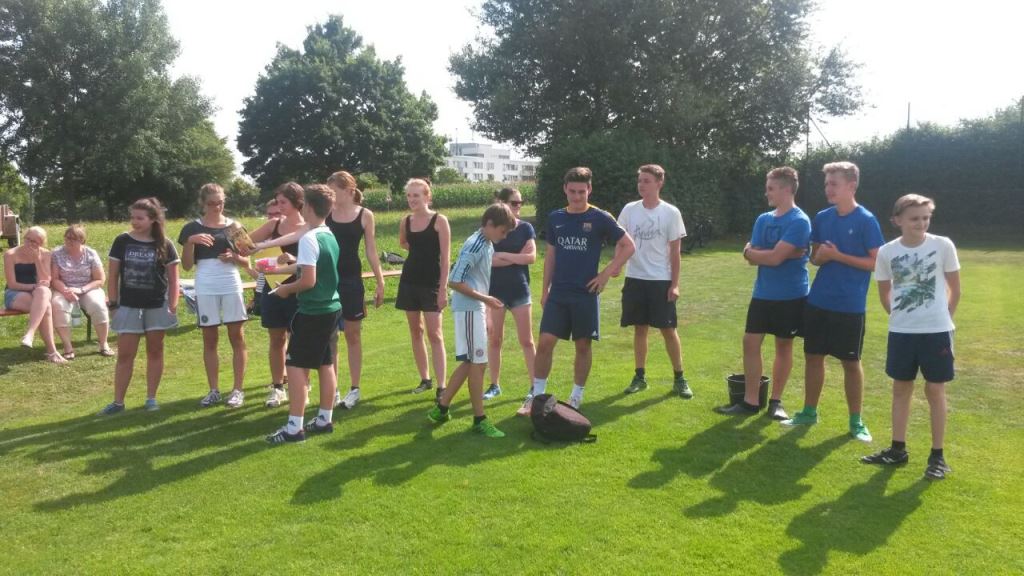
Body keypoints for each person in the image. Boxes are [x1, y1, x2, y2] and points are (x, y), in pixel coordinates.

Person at [781, 162, 884, 442]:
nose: (828, 189)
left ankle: (856, 421)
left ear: (852, 185)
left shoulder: (866, 220)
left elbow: (876, 263)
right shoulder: (822, 218)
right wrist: (821, 257)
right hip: (818, 301)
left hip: (850, 305)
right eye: (826, 184)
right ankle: (809, 412)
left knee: (850, 362)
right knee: (813, 357)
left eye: (834, 184)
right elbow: (815, 258)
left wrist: (838, 256)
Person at [861, 194, 960, 480]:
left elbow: (955, 289)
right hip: (902, 333)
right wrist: (900, 318)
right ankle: (897, 450)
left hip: (936, 332)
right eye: (915, 218)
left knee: (935, 390)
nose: (921, 223)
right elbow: (884, 292)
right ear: (898, 220)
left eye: (926, 218)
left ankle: (937, 456)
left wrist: (942, 319)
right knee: (901, 389)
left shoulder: (943, 245)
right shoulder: (887, 252)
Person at [529, 167, 635, 411]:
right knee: (545, 343)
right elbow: (551, 256)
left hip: (585, 293)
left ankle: (576, 396)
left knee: (583, 345)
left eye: (581, 191)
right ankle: (537, 395)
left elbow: (629, 245)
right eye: (572, 191)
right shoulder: (556, 218)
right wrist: (545, 291)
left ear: (589, 190)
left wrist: (605, 274)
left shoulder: (600, 217)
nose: (577, 196)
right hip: (558, 293)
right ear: (565, 190)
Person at [715, 167, 810, 419]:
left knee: (783, 345)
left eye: (770, 188)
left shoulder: (800, 221)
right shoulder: (763, 219)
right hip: (763, 293)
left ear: (786, 189)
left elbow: (774, 258)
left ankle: (776, 402)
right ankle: (750, 402)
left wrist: (761, 253)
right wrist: (756, 253)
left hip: (791, 295)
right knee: (750, 342)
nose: (766, 193)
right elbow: (754, 257)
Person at [428, 203, 516, 437]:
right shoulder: (475, 244)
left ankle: (441, 408)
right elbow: (455, 281)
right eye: (503, 231)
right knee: (478, 363)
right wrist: (486, 300)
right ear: (490, 224)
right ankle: (479, 419)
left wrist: (484, 308)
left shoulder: (486, 242)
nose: (504, 236)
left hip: (474, 309)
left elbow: (476, 279)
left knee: (470, 362)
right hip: (468, 309)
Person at [265, 184, 341, 444]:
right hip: (331, 308)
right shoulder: (328, 234)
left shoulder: (308, 238)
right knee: (325, 364)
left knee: (295, 365)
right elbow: (311, 265)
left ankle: (294, 428)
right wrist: (282, 268)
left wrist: (285, 289)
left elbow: (308, 280)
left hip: (313, 311)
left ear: (307, 206)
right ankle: (324, 419)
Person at [617, 164, 692, 399]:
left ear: (659, 183)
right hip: (635, 278)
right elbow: (621, 241)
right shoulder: (629, 210)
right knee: (640, 328)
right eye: (640, 180)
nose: (641, 185)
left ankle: (680, 379)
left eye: (647, 181)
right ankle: (639, 377)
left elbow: (675, 253)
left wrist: (675, 284)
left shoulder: (671, 213)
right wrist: (617, 265)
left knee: (668, 330)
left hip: (661, 280)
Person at [100, 197, 180, 413]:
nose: (134, 222)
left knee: (155, 352)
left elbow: (174, 280)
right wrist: (113, 304)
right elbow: (113, 275)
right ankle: (118, 402)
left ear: (153, 219)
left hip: (157, 305)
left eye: (140, 218)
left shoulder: (165, 244)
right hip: (128, 306)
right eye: (132, 217)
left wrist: (173, 304)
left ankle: (151, 399)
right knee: (125, 355)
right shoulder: (122, 241)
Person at [179, 183, 250, 409]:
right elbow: (187, 266)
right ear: (202, 203)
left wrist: (234, 258)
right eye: (211, 203)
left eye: (220, 202)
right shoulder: (191, 228)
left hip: (230, 283)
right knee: (209, 339)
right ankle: (214, 390)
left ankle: (237, 390)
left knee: (237, 336)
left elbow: (247, 260)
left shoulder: (234, 226)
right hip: (206, 285)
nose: (216, 207)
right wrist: (190, 242)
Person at [325, 170, 386, 409]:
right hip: (328, 280)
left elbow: (371, 250)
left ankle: (354, 389)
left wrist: (380, 282)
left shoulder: (365, 214)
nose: (331, 196)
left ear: (349, 191)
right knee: (330, 336)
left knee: (353, 334)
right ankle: (333, 389)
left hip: (351, 280)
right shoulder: (326, 213)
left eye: (334, 191)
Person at [247, 183, 305, 407]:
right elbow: (245, 245)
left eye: (283, 202)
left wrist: (291, 259)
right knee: (276, 338)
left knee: (298, 338)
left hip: (299, 288)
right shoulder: (274, 224)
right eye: (277, 202)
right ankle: (278, 386)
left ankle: (302, 384)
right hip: (272, 287)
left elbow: (314, 260)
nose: (279, 207)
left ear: (297, 202)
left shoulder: (308, 226)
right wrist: (244, 244)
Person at [396, 178, 451, 399]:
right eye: (409, 195)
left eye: (416, 195)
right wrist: (419, 251)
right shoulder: (405, 221)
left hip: (432, 283)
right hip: (409, 281)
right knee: (415, 331)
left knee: (435, 334)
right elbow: (403, 243)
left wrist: (443, 288)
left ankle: (442, 386)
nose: (412, 199)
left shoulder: (440, 220)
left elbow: (446, 258)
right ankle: (425, 379)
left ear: (427, 197)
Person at [484, 187, 537, 412]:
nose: (518, 207)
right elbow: (488, 260)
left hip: (519, 291)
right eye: (514, 203)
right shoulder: (492, 229)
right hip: (494, 291)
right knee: (495, 339)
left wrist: (504, 255)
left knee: (527, 340)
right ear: (501, 203)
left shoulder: (525, 228)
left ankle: (536, 386)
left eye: (520, 203)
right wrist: (516, 257)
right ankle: (494, 385)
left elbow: (531, 257)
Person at [3, 226, 67, 363]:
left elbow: (46, 281)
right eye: (28, 239)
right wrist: (33, 286)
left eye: (34, 242)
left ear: (41, 243)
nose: (29, 243)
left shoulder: (46, 254)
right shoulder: (10, 254)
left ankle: (30, 334)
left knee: (43, 291)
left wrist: (37, 259)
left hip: (39, 293)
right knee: (45, 307)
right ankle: (51, 352)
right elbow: (12, 284)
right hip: (16, 293)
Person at [50, 224, 113, 358]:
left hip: (88, 288)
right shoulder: (56, 253)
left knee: (97, 304)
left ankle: (104, 344)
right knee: (58, 305)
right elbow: (54, 279)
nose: (69, 241)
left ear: (82, 240)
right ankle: (68, 347)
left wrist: (81, 289)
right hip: (64, 289)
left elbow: (100, 279)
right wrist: (66, 291)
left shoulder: (90, 253)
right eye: (67, 238)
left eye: (74, 239)